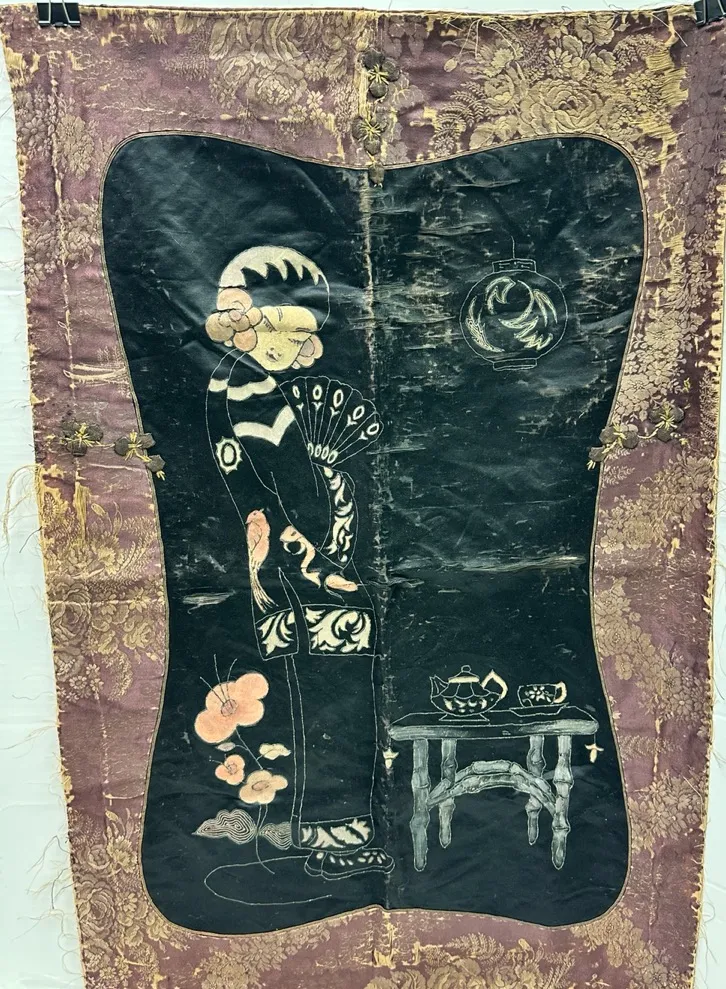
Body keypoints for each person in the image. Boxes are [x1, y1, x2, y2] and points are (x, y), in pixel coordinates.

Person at [204, 246, 393, 880]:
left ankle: (325, 827)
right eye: (293, 330)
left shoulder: (245, 384)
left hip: (290, 567)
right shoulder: (245, 389)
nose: (306, 349)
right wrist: (319, 561)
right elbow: (272, 496)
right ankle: (337, 833)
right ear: (253, 322)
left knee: (322, 694)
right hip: (297, 571)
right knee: (332, 693)